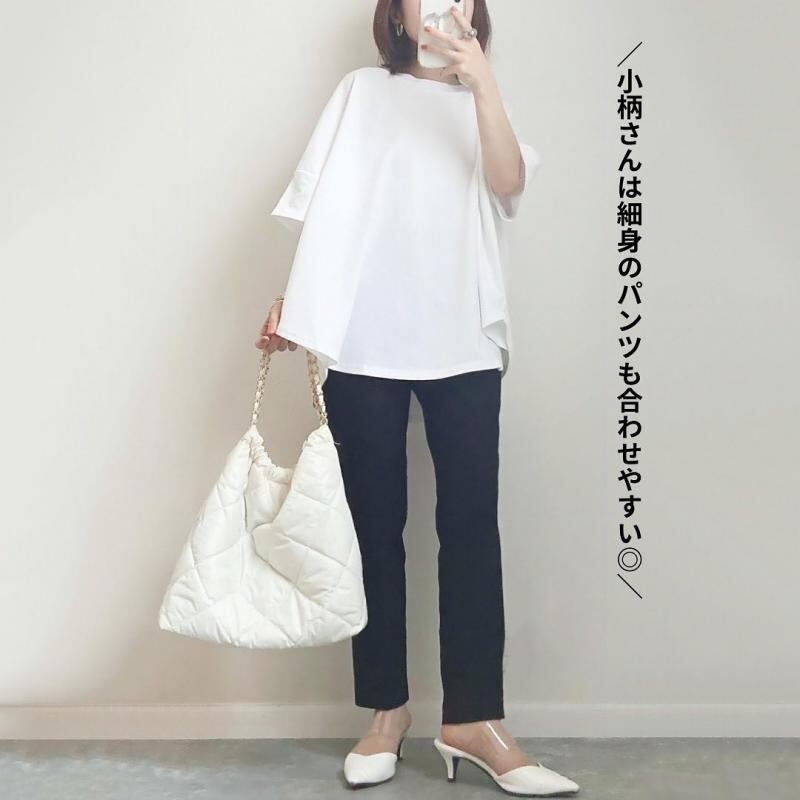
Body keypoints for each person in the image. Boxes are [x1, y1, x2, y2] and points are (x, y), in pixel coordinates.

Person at [257, 1, 580, 796]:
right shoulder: (361, 92)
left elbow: (507, 182)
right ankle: (386, 712)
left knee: (470, 526)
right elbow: (325, 211)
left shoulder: (481, 98)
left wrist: (482, 82)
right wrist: (296, 307)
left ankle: (475, 719)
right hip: (366, 339)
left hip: (462, 335)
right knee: (374, 528)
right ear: (397, 15)